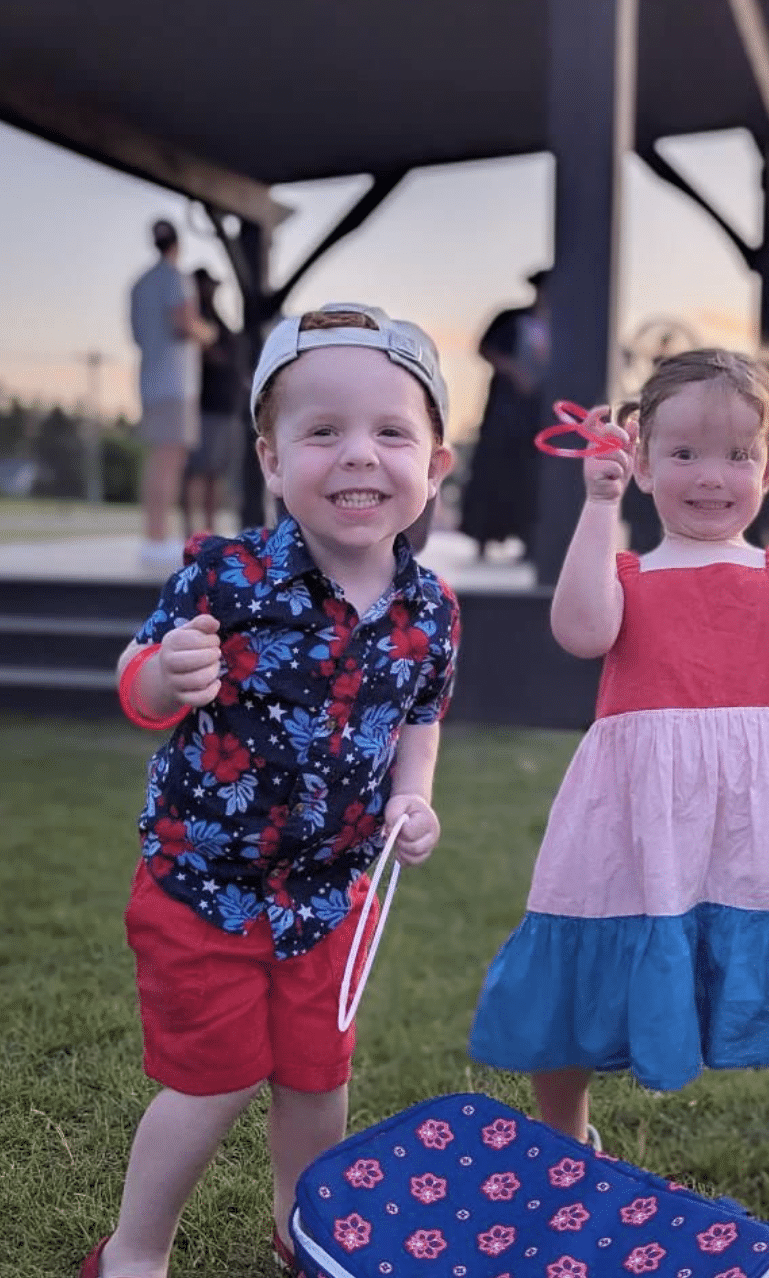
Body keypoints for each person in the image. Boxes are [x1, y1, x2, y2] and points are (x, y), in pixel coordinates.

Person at [470, 349, 769, 1278]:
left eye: (737, 454)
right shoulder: (621, 570)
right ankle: (571, 1165)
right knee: (575, 985)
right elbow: (579, 631)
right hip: (636, 825)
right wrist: (596, 502)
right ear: (643, 461)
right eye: (684, 453)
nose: (711, 476)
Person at [80, 304, 459, 1278]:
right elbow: (135, 683)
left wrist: (415, 798)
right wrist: (166, 677)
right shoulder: (223, 575)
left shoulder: (432, 610)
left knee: (315, 1080)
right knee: (213, 1084)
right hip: (203, 889)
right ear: (272, 459)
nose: (357, 457)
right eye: (322, 431)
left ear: (436, 466)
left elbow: (422, 718)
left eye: (390, 433)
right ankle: (133, 1251)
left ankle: (309, 1236)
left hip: (333, 897)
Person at [130, 219, 215, 565]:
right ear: (177, 245)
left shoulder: (139, 284)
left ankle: (155, 534)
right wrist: (208, 334)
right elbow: (184, 324)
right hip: (175, 383)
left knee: (162, 458)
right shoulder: (175, 278)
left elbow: (137, 335)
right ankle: (156, 537)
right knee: (168, 460)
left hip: (151, 379)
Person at [459, 269, 550, 558]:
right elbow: (485, 348)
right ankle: (483, 539)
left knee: (531, 478)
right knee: (494, 471)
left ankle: (528, 542)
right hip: (505, 409)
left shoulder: (566, 326)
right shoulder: (512, 318)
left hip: (540, 414)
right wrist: (514, 371)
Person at [180, 267, 244, 537]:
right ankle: (191, 531)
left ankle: (208, 530)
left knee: (214, 472)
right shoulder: (196, 319)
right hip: (203, 407)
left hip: (224, 406)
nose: (212, 290)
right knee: (195, 472)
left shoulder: (215, 317)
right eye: (208, 286)